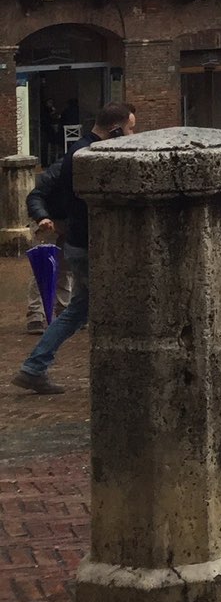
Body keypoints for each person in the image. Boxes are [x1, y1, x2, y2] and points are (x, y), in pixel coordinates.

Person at [13, 101, 135, 395]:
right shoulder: (90, 155)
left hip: (79, 243)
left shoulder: (79, 151)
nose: (134, 135)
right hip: (87, 244)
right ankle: (122, 375)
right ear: (116, 129)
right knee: (114, 305)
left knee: (80, 309)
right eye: (131, 129)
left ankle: (35, 367)